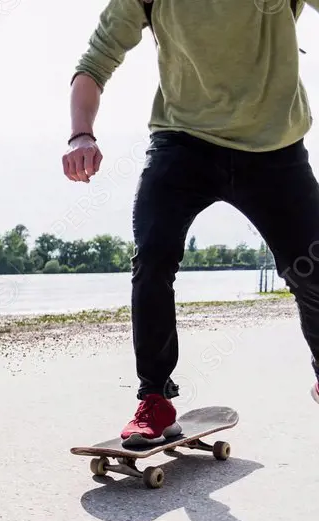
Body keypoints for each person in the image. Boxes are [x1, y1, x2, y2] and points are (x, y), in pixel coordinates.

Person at [64, 0, 319, 446]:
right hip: (183, 144)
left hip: (274, 147)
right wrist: (81, 133)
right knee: (153, 258)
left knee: (312, 269)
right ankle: (155, 400)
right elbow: (95, 62)